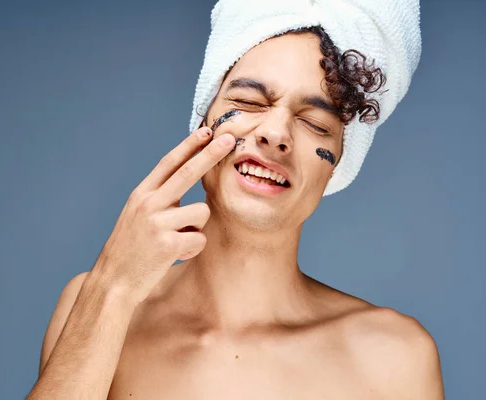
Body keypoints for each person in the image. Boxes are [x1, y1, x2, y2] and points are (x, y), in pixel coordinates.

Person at [27, 1, 445, 398]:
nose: (276, 133)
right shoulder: (95, 303)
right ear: (202, 119)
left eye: (315, 123)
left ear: (337, 166)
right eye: (248, 102)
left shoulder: (392, 358)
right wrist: (113, 287)